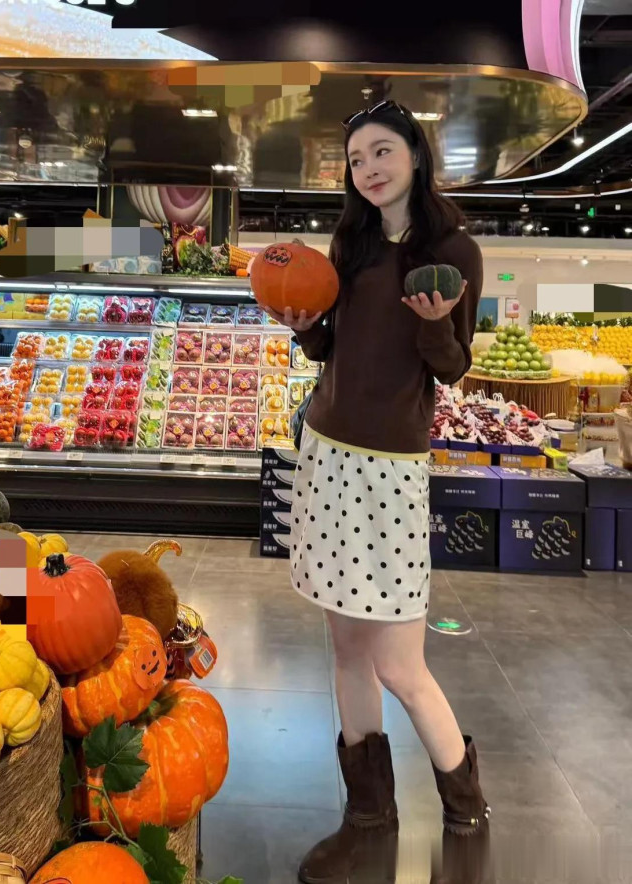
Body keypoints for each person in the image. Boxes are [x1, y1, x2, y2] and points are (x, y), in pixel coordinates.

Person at [265, 100, 490, 883]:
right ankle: (367, 816)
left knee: (398, 663)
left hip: (391, 469)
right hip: (326, 454)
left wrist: (434, 320)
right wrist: (300, 324)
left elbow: (451, 366)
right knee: (345, 651)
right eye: (357, 158)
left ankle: (466, 811)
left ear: (415, 155)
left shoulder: (452, 251)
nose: (368, 168)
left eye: (382, 151)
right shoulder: (349, 243)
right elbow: (329, 347)